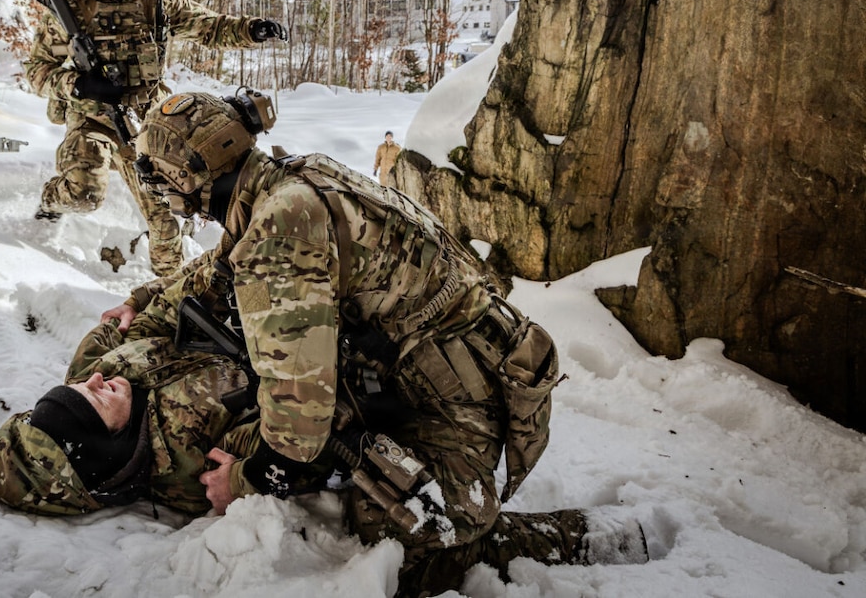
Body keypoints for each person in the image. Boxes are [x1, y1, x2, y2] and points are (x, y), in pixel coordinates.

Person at [107, 89, 653, 596]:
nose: (165, 194)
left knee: (395, 531)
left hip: (463, 405)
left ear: (189, 176)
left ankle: (576, 537)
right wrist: (145, 297)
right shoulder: (289, 180)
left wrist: (245, 484)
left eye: (163, 180)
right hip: (429, 373)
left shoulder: (279, 230)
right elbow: (223, 260)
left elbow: (299, 428)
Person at [23, 0, 286, 276]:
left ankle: (172, 294)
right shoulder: (68, 6)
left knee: (165, 215)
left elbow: (207, 26)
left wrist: (251, 30)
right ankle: (51, 203)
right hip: (93, 116)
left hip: (146, 120)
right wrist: (78, 84)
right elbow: (35, 71)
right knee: (84, 193)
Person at [0, 321, 328, 516]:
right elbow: (307, 440)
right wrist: (247, 478)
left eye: (78, 386)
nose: (95, 380)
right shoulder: (193, 462)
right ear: (108, 444)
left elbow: (146, 315)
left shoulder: (96, 369)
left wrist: (137, 301)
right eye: (93, 397)